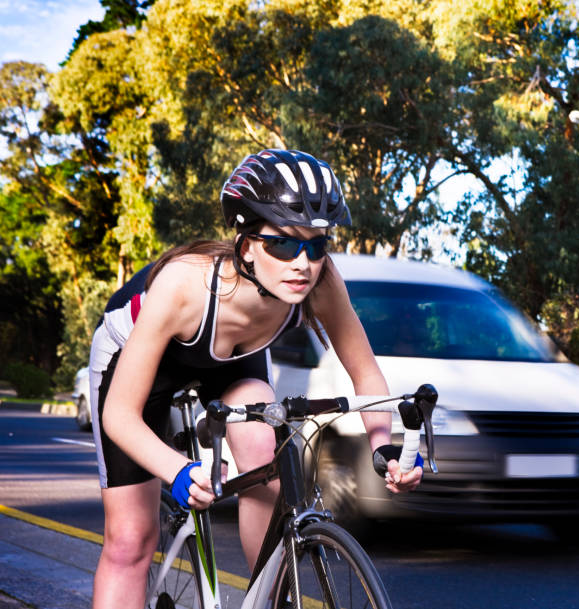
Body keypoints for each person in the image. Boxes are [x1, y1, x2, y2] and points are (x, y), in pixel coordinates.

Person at [89, 149, 423, 609]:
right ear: (247, 246)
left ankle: (265, 596)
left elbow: (364, 372)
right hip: (142, 360)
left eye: (318, 245)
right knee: (130, 538)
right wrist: (178, 470)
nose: (303, 263)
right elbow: (119, 416)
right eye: (283, 244)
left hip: (233, 361)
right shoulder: (183, 286)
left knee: (264, 453)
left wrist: (383, 448)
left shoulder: (320, 283)